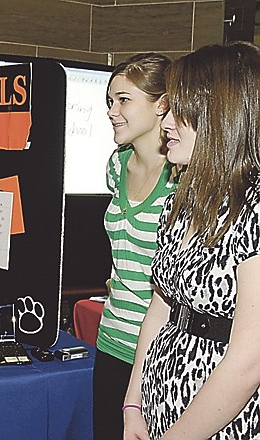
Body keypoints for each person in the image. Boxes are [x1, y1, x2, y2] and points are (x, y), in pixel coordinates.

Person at [123, 41, 260, 440]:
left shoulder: (254, 209)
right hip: (156, 410)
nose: (165, 124)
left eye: (179, 112)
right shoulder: (182, 201)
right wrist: (133, 404)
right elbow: (161, 307)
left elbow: (249, 361)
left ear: (220, 118)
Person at [94, 53, 175, 440]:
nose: (113, 111)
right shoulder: (115, 164)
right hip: (111, 339)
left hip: (159, 355)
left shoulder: (184, 178)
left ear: (162, 104)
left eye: (124, 100)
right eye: (110, 101)